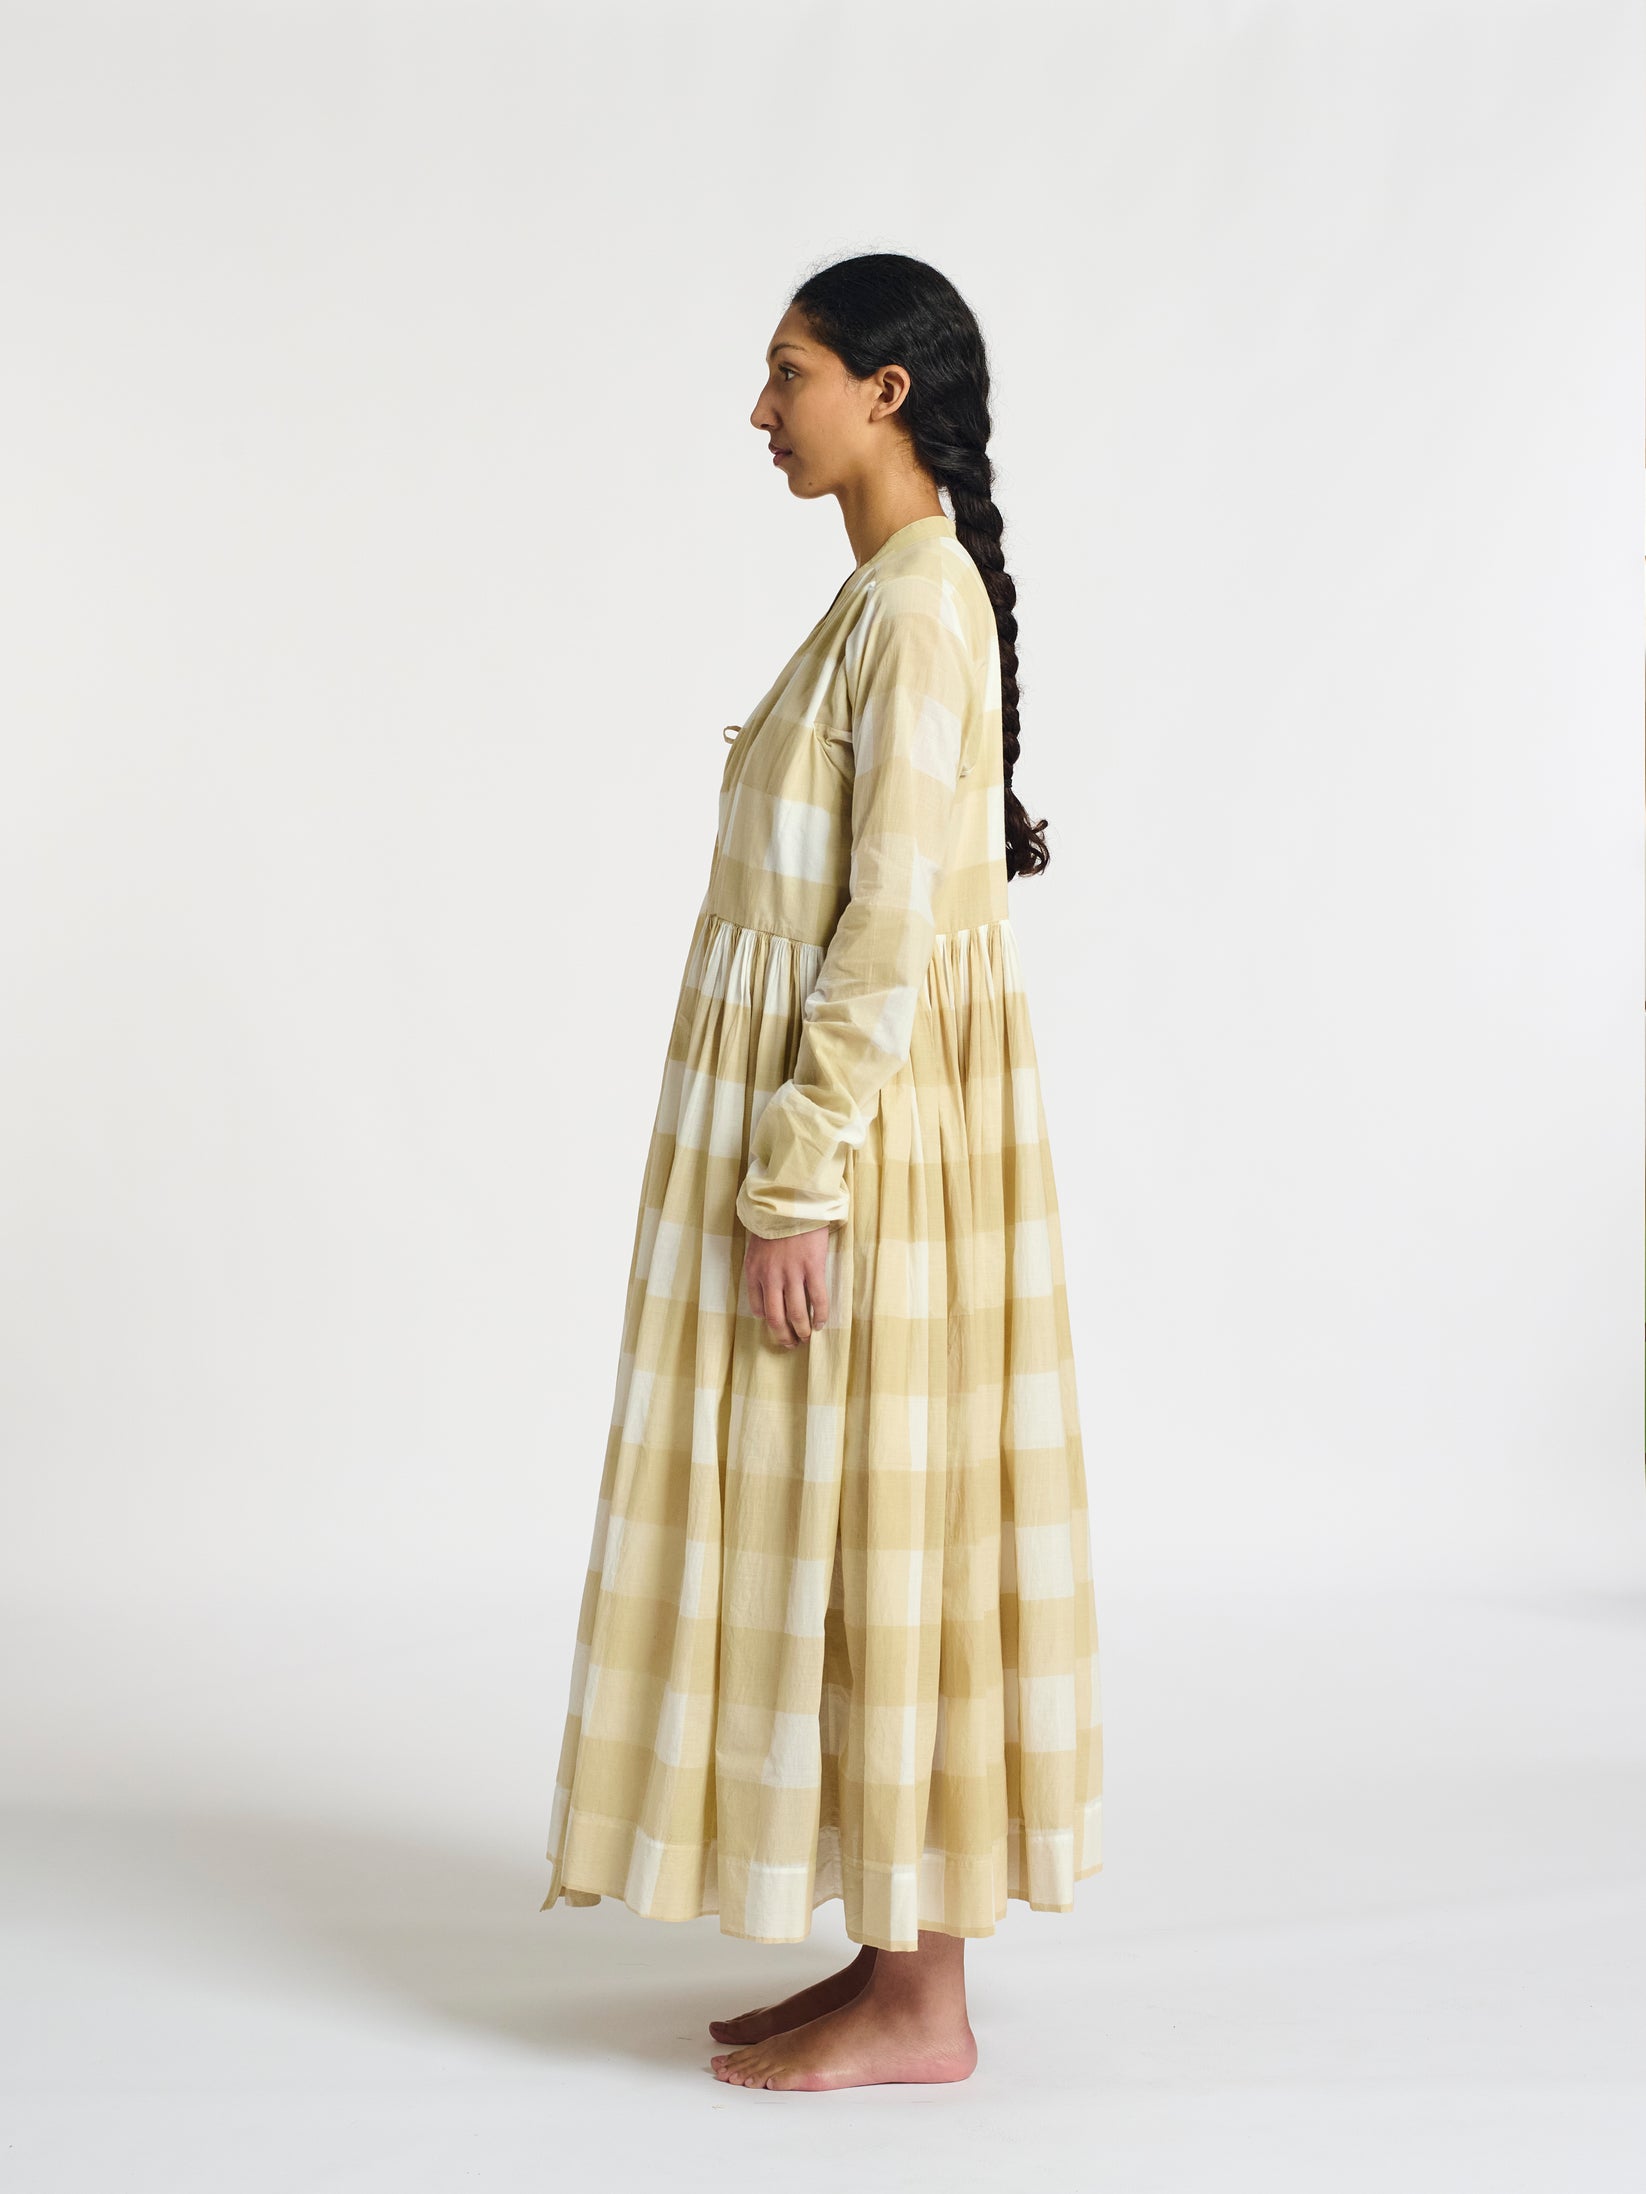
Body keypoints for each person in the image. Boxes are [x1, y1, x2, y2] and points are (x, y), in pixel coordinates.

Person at [540, 252, 1102, 2092]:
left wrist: (796, 1176)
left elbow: (886, 931)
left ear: (884, 390)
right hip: (846, 1129)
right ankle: (884, 1960)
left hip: (861, 1147)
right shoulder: (885, 596)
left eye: (787, 373)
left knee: (886, 1532)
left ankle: (924, 2007)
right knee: (850, 1522)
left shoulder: (920, 603)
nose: (760, 410)